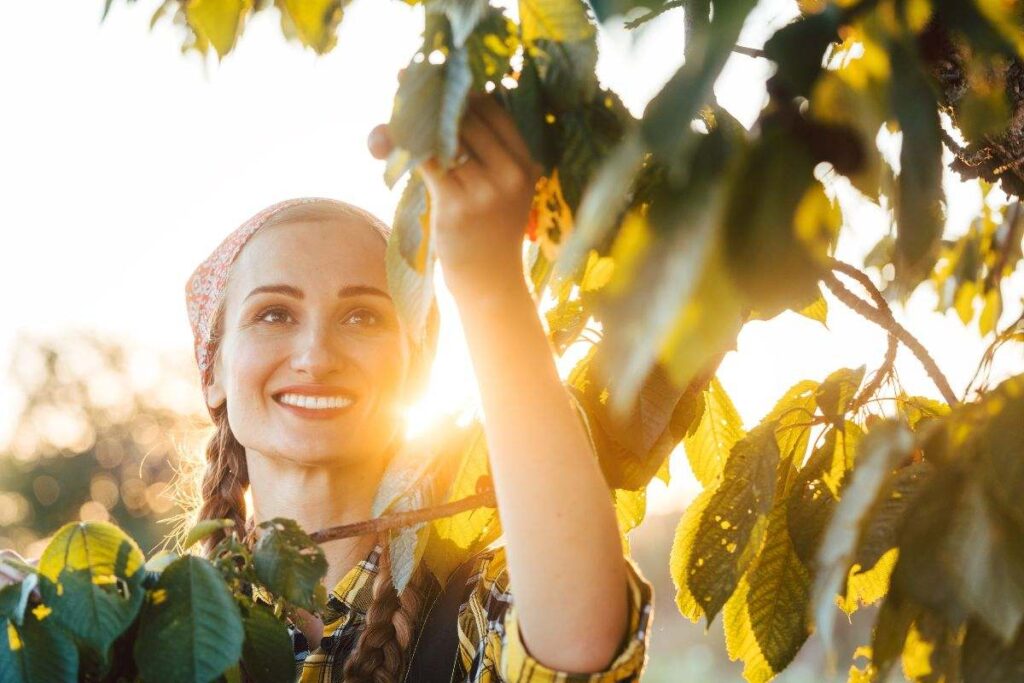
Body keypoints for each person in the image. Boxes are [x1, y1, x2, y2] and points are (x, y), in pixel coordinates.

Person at [5, 93, 655, 682]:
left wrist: (487, 279)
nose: (316, 355)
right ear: (212, 372)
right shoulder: (130, 634)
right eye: (274, 313)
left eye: (363, 315)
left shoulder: (474, 616)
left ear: (416, 366)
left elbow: (582, 643)